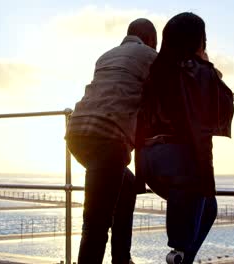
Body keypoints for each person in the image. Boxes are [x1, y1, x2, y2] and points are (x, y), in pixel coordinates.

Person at [135, 12, 234, 264]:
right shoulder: (195, 70)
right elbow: (222, 109)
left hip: (148, 162)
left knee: (208, 208)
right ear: (197, 41)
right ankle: (179, 256)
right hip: (179, 164)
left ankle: (181, 258)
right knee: (194, 193)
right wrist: (209, 66)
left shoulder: (155, 72)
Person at [65, 18, 158, 264]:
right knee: (96, 222)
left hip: (76, 134)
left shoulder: (105, 56)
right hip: (109, 138)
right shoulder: (150, 55)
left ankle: (122, 258)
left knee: (126, 186)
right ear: (150, 39)